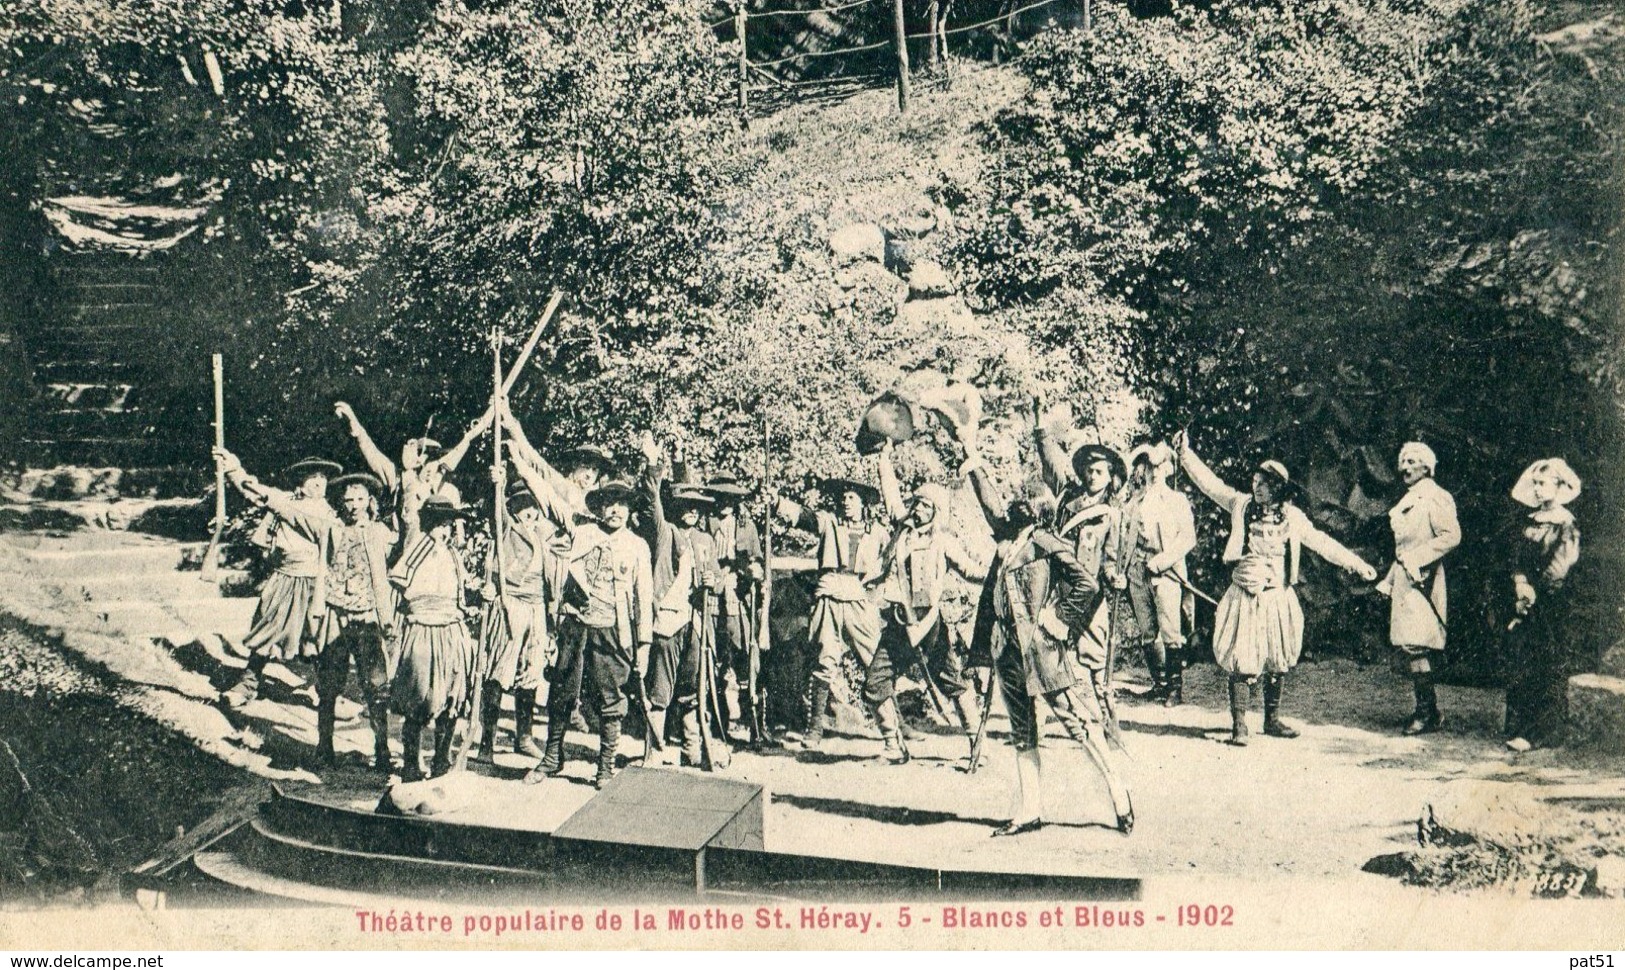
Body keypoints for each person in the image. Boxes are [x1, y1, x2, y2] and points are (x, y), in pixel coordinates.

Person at [946, 413, 1134, 836]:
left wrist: (1058, 619)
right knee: (1021, 729)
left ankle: (1119, 794)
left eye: (1024, 498)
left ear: (1039, 508)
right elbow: (987, 500)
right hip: (1007, 649)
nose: (1015, 502)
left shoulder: (1045, 540)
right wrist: (968, 448)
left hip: (1043, 649)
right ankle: (1030, 810)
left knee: (1075, 722)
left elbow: (1086, 584)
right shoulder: (1008, 540)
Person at [1174, 432, 1379, 746]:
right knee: (1242, 657)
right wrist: (1186, 454)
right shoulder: (1240, 506)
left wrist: (1355, 563)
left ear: (1279, 487)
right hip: (1245, 594)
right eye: (1256, 481)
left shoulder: (1292, 517)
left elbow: (1322, 543)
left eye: (1265, 482)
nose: (1257, 487)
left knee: (1278, 657)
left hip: (1278, 596)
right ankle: (1240, 725)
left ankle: (1272, 720)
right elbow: (1211, 485)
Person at [525, 479, 654, 788]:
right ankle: (552, 757)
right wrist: (518, 456)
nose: (616, 510)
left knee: (611, 699)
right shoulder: (583, 532)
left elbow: (643, 600)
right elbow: (548, 499)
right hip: (575, 625)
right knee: (561, 691)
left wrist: (644, 645)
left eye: (622, 504)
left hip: (613, 630)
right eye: (610, 503)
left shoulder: (637, 546)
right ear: (599, 507)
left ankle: (605, 768)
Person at [874, 441, 987, 763]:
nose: (918, 509)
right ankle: (893, 746)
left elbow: (970, 569)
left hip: (929, 624)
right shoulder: (902, 531)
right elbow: (890, 496)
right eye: (917, 503)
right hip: (899, 620)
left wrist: (996, 573)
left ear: (936, 511)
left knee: (952, 681)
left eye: (926, 505)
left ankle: (978, 744)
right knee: (876, 681)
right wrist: (884, 459)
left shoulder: (943, 541)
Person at [772, 467, 889, 753]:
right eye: (843, 498)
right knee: (825, 661)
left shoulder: (878, 533)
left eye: (851, 497)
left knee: (877, 661)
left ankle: (892, 728)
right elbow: (803, 517)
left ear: (863, 502)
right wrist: (776, 503)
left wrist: (878, 594)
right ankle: (814, 729)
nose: (846, 502)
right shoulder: (829, 522)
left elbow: (889, 565)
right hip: (829, 596)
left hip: (860, 600)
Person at [213, 450, 341, 710]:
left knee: (317, 638)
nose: (318, 482)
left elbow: (317, 530)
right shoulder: (284, 499)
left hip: (316, 582)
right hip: (284, 578)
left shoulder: (328, 513)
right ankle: (247, 686)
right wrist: (233, 468)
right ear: (300, 482)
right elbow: (254, 491)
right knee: (267, 631)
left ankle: (326, 695)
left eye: (322, 477)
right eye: (312, 477)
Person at [1033, 405, 1129, 722]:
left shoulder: (1112, 513)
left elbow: (1111, 556)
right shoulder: (1067, 498)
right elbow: (1049, 462)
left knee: (1094, 653)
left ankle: (1105, 713)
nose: (1092, 475)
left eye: (1099, 471)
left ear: (1111, 477)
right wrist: (1041, 427)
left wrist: (1114, 576)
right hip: (1059, 585)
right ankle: (1051, 714)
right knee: (1046, 643)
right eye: (1088, 470)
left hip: (1089, 592)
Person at [638, 434, 725, 768]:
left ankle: (693, 752)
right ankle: (653, 751)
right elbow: (652, 498)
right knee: (660, 690)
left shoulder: (705, 540)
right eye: (685, 504)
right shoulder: (664, 532)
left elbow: (715, 580)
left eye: (697, 506)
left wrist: (711, 581)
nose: (691, 510)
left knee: (693, 691)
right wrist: (654, 463)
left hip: (697, 624)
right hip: (668, 620)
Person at [388, 495, 480, 781]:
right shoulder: (419, 548)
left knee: (453, 697)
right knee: (420, 695)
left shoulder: (452, 553)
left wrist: (481, 592)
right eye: (438, 524)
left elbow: (465, 589)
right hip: (423, 628)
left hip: (451, 628)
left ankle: (441, 759)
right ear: (428, 524)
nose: (444, 530)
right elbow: (397, 580)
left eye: (448, 525)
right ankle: (411, 765)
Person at [475, 483, 562, 762]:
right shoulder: (507, 530)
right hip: (511, 604)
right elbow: (497, 511)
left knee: (532, 671)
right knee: (499, 672)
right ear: (513, 508)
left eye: (532, 505)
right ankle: (486, 743)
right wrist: (497, 486)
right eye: (522, 506)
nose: (528, 511)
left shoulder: (545, 535)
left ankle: (523, 737)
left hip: (537, 607)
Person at [1378, 442, 1461, 735]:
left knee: (1417, 643)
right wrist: (1389, 580)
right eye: (1403, 461)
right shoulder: (1410, 498)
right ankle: (1429, 710)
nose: (1406, 467)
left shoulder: (1436, 497)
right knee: (1412, 645)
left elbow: (1451, 536)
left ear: (1427, 466)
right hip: (1405, 578)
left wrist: (1418, 561)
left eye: (1413, 461)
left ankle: (1426, 713)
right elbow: (1403, 547)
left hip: (1423, 579)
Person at [317, 472, 398, 770]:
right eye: (348, 500)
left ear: (369, 502)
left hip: (366, 615)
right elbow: (321, 568)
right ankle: (324, 746)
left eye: (360, 499)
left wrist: (386, 617)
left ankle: (383, 750)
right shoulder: (333, 528)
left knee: (375, 683)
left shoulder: (378, 531)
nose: (353, 506)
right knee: (329, 681)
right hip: (335, 613)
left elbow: (391, 564)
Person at [334, 401, 492, 552]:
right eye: (424, 457)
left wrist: (491, 412)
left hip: (437, 557)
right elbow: (374, 455)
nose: (428, 464)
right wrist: (354, 423)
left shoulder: (444, 486)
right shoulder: (401, 480)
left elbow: (467, 440)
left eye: (433, 458)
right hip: (407, 558)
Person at [1502, 458, 1582, 753]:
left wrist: (1536, 594)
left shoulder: (1566, 524)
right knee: (1523, 661)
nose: (1536, 489)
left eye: (1543, 483)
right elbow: (1518, 561)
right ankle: (1521, 727)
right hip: (1526, 599)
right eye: (1534, 483)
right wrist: (1521, 585)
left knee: (1546, 663)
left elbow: (1561, 567)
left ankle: (1540, 732)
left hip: (1552, 604)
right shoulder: (1530, 521)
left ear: (1559, 486)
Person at [1120, 443, 1197, 705]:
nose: (1154, 472)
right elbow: (1124, 540)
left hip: (1166, 573)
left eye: (1160, 466)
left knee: (1170, 629)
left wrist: (1162, 561)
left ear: (1168, 468)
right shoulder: (1134, 503)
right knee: (1147, 630)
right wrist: (1123, 569)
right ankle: (1159, 683)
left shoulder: (1177, 501)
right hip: (1137, 572)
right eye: (1150, 467)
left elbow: (1188, 539)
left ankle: (1175, 688)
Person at [700, 476, 766, 741]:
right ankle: (717, 720)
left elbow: (756, 558)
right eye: (721, 497)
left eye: (731, 498)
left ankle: (755, 722)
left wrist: (755, 570)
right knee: (713, 653)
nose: (725, 503)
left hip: (737, 593)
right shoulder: (706, 522)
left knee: (744, 653)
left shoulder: (745, 525)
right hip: (712, 591)